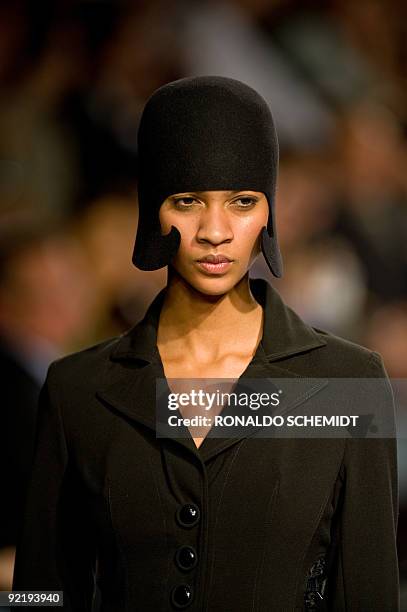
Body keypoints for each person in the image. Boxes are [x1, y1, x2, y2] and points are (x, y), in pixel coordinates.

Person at [12, 76, 399, 611]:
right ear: (154, 211)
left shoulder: (345, 386)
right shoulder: (80, 390)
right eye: (188, 200)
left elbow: (370, 593)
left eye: (241, 202)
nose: (214, 231)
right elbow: (42, 593)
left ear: (268, 214)